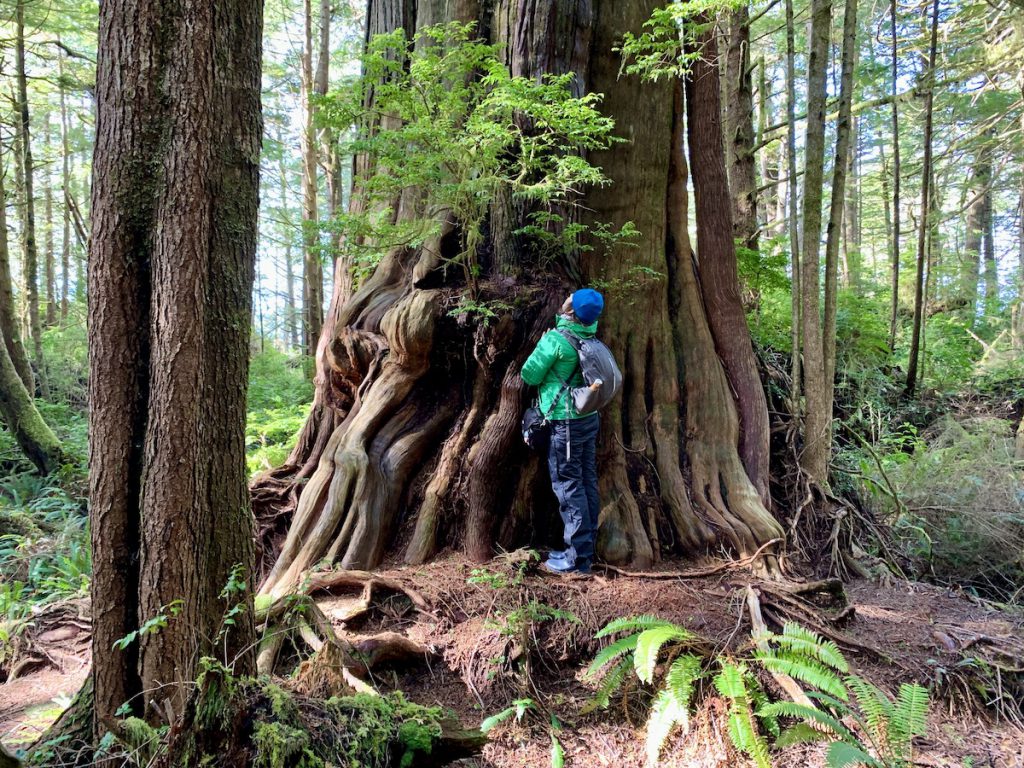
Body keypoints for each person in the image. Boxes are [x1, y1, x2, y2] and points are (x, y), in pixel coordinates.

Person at [521, 288, 605, 575]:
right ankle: (586, 549)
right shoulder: (590, 336)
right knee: (586, 481)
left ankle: (576, 560)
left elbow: (529, 374)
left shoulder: (556, 340)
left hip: (564, 423)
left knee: (569, 487)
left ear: (571, 309)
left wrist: (545, 339)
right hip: (588, 418)